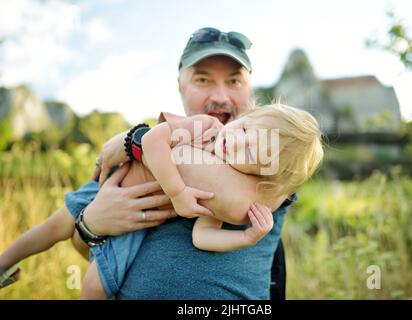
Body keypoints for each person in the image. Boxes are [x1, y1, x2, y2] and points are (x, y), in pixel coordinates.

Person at [0, 28, 303, 299]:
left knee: (96, 283)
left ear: (250, 92)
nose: (220, 95)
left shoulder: (277, 167)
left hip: (129, 230)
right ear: (180, 85)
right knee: (55, 226)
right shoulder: (205, 129)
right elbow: (83, 244)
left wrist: (245, 236)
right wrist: (91, 225)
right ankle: (4, 263)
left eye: (234, 81)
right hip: (116, 185)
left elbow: (203, 234)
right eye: (202, 79)